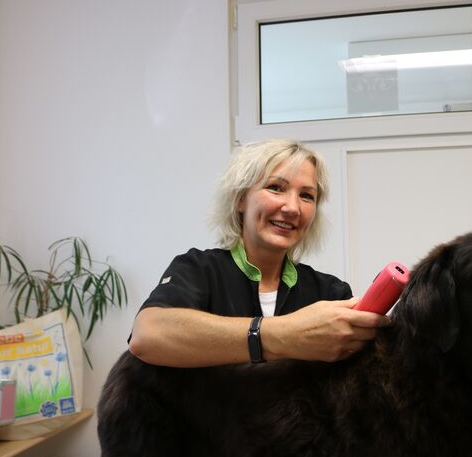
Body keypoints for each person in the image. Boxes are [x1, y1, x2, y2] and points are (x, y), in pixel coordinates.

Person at [128, 139, 392, 368]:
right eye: (276, 187)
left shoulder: (330, 293)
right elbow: (147, 336)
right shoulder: (199, 270)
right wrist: (284, 334)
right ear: (241, 199)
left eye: (307, 196)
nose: (292, 208)